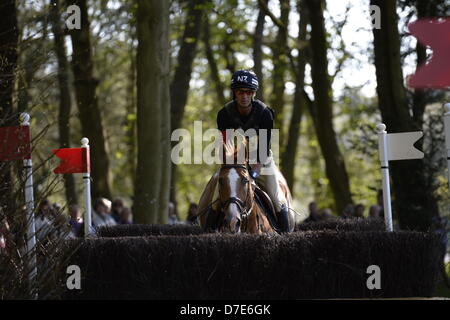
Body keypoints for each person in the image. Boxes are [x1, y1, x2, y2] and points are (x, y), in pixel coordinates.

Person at [198, 70, 293, 232]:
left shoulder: (264, 113)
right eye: (241, 92)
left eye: (249, 92)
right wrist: (230, 167)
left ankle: (287, 238)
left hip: (261, 161)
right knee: (215, 198)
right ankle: (206, 235)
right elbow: (225, 145)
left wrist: (253, 175)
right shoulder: (224, 114)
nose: (244, 96)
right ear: (235, 92)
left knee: (278, 199)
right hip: (235, 161)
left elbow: (263, 151)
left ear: (253, 93)